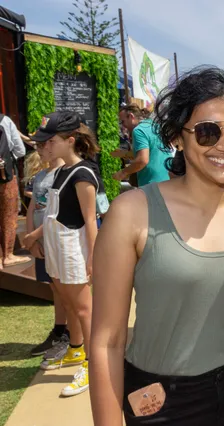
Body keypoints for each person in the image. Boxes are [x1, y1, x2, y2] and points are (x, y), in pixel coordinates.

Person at [90, 66, 224, 425]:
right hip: (163, 403)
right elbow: (107, 342)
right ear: (178, 136)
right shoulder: (132, 213)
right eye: (208, 132)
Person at [31, 111, 103, 397]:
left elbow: (90, 220)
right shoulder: (60, 172)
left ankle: (94, 365)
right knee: (69, 304)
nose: (44, 147)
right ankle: (76, 349)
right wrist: (36, 236)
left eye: (50, 141)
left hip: (73, 249)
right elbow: (53, 213)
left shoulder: (83, 174)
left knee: (84, 309)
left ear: (70, 140)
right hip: (56, 248)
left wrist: (93, 258)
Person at [23, 145, 70, 358]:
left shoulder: (65, 175)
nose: (39, 150)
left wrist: (34, 236)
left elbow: (57, 213)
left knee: (66, 291)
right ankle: (59, 330)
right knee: (54, 289)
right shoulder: (41, 175)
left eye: (43, 145)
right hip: (40, 243)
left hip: (57, 242)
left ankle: (71, 335)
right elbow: (33, 207)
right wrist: (31, 238)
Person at [115, 104, 173, 186]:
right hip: (168, 179)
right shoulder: (154, 126)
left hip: (152, 183)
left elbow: (142, 160)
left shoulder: (138, 130)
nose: (123, 126)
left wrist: (123, 173)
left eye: (123, 121)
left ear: (131, 116)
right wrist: (123, 154)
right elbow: (151, 152)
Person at [0, 113, 28, 268]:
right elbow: (20, 150)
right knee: (9, 214)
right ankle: (8, 255)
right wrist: (9, 160)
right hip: (5, 175)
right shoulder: (4, 120)